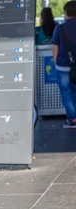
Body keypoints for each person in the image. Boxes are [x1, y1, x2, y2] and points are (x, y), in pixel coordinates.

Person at [52, 1, 76, 129]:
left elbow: (55, 48)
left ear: (66, 13)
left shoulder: (59, 28)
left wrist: (56, 62)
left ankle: (72, 119)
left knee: (66, 93)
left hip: (63, 66)